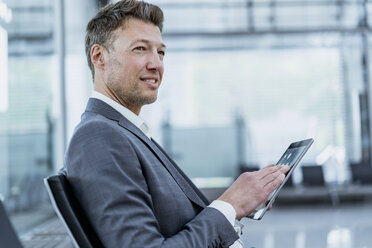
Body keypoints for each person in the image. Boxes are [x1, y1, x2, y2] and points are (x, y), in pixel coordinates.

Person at [63, 0, 290, 247]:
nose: (156, 64)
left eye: (160, 52)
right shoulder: (100, 136)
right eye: (140, 49)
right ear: (99, 56)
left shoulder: (125, 131)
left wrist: (237, 206)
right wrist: (230, 205)